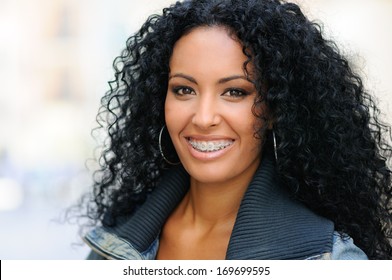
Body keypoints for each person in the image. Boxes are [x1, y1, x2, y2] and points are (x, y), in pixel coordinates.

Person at [80, 0, 392, 259]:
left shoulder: (328, 259)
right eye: (184, 90)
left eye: (235, 92)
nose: (203, 118)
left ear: (275, 108)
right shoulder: (112, 244)